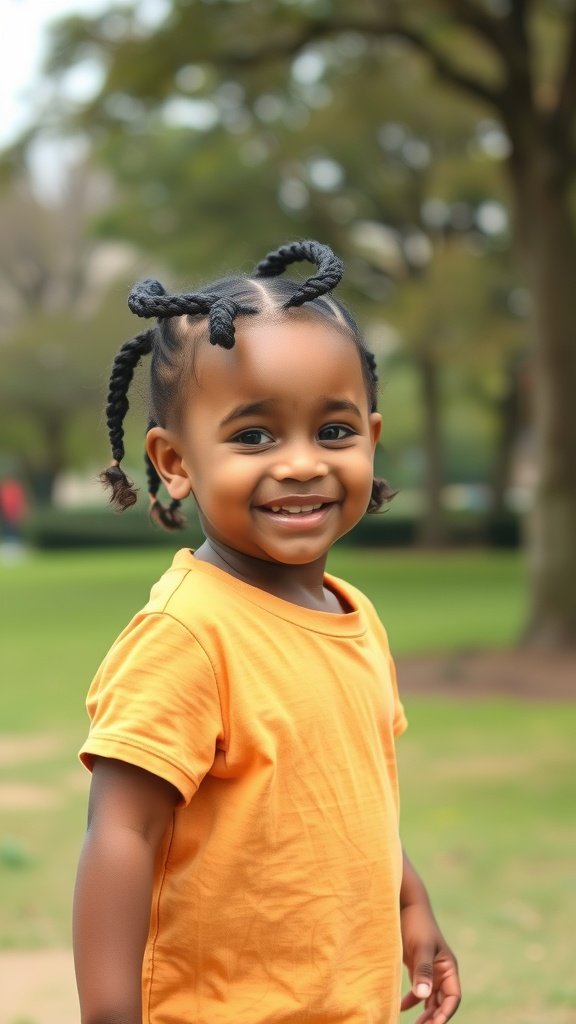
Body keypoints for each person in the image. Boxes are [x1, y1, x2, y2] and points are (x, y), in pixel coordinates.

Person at [73, 240, 461, 1024]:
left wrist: (409, 901)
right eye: (253, 437)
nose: (300, 464)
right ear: (175, 461)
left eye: (333, 431)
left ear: (373, 437)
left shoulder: (355, 617)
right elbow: (121, 833)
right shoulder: (190, 633)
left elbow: (353, 800)